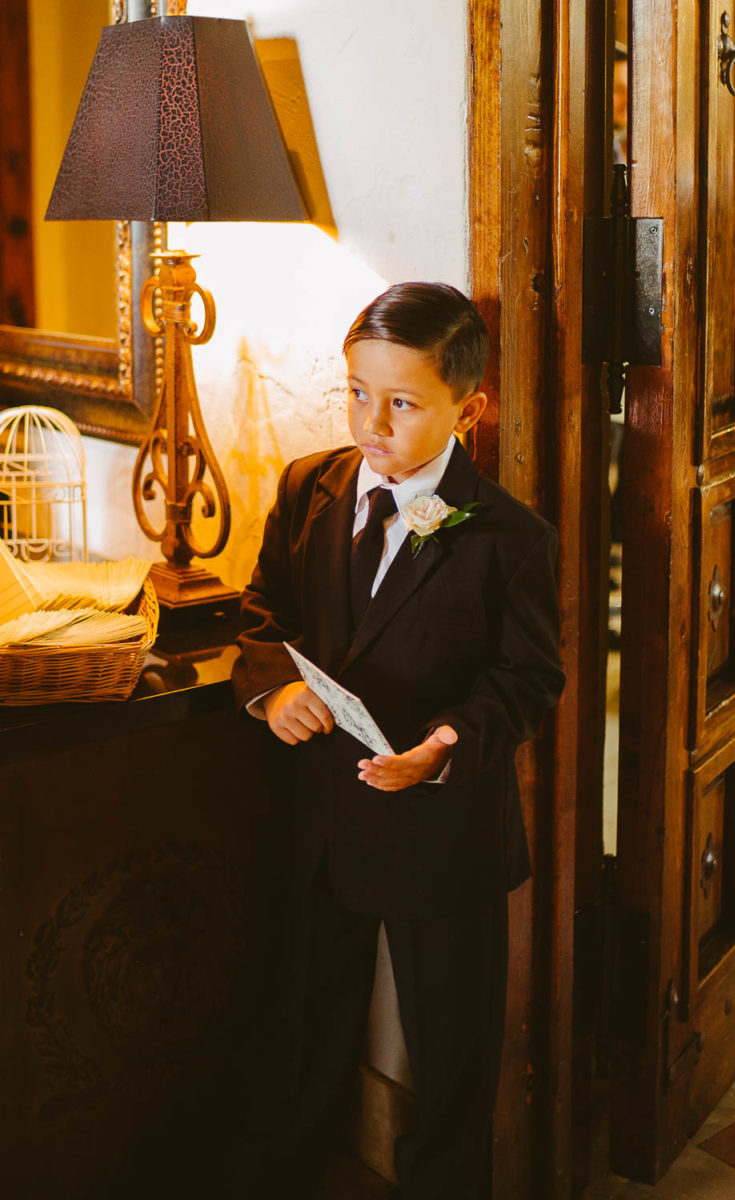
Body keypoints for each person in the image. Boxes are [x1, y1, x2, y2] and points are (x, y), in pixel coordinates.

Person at [231, 282, 565, 1199]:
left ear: (471, 407)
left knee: (451, 1041)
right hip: (325, 821)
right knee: (309, 1016)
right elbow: (264, 611)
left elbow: (530, 678)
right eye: (356, 392)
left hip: (441, 829)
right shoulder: (310, 487)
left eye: (403, 402)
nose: (371, 422)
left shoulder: (511, 538)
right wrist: (273, 688)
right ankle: (288, 1167)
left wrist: (447, 742)